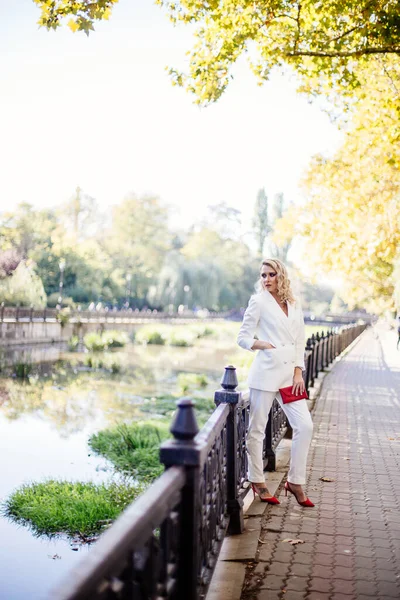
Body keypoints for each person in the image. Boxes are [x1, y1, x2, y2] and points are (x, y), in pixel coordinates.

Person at [237, 258, 314, 507]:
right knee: (257, 429)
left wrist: (298, 372)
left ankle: (295, 482)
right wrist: (264, 345)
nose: (267, 279)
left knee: (305, 426)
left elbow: (300, 340)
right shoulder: (258, 301)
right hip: (266, 372)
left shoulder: (293, 303)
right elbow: (243, 337)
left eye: (271, 274)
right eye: (263, 275)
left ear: (281, 276)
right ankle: (257, 481)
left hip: (289, 377)